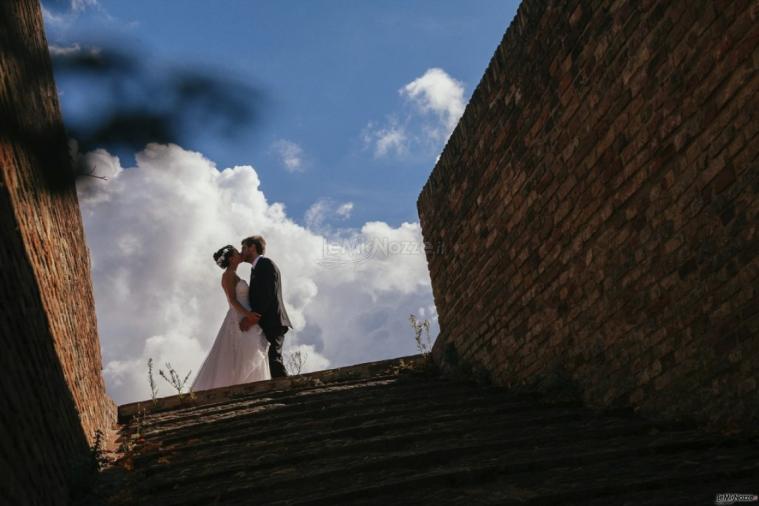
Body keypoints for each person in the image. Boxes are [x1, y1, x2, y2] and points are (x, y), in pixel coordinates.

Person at [191, 245, 271, 391]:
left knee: (249, 351)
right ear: (231, 258)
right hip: (239, 317)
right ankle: (242, 386)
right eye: (236, 252)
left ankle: (249, 386)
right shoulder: (227, 275)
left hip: (246, 315)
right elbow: (232, 300)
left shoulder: (234, 274)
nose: (240, 253)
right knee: (245, 351)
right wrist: (248, 315)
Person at [238, 235, 292, 378]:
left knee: (274, 356)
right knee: (270, 356)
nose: (241, 251)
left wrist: (254, 317)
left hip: (273, 319)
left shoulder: (266, 264)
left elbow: (268, 293)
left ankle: (284, 386)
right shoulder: (256, 268)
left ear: (253, 248)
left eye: (244, 248)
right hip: (266, 320)